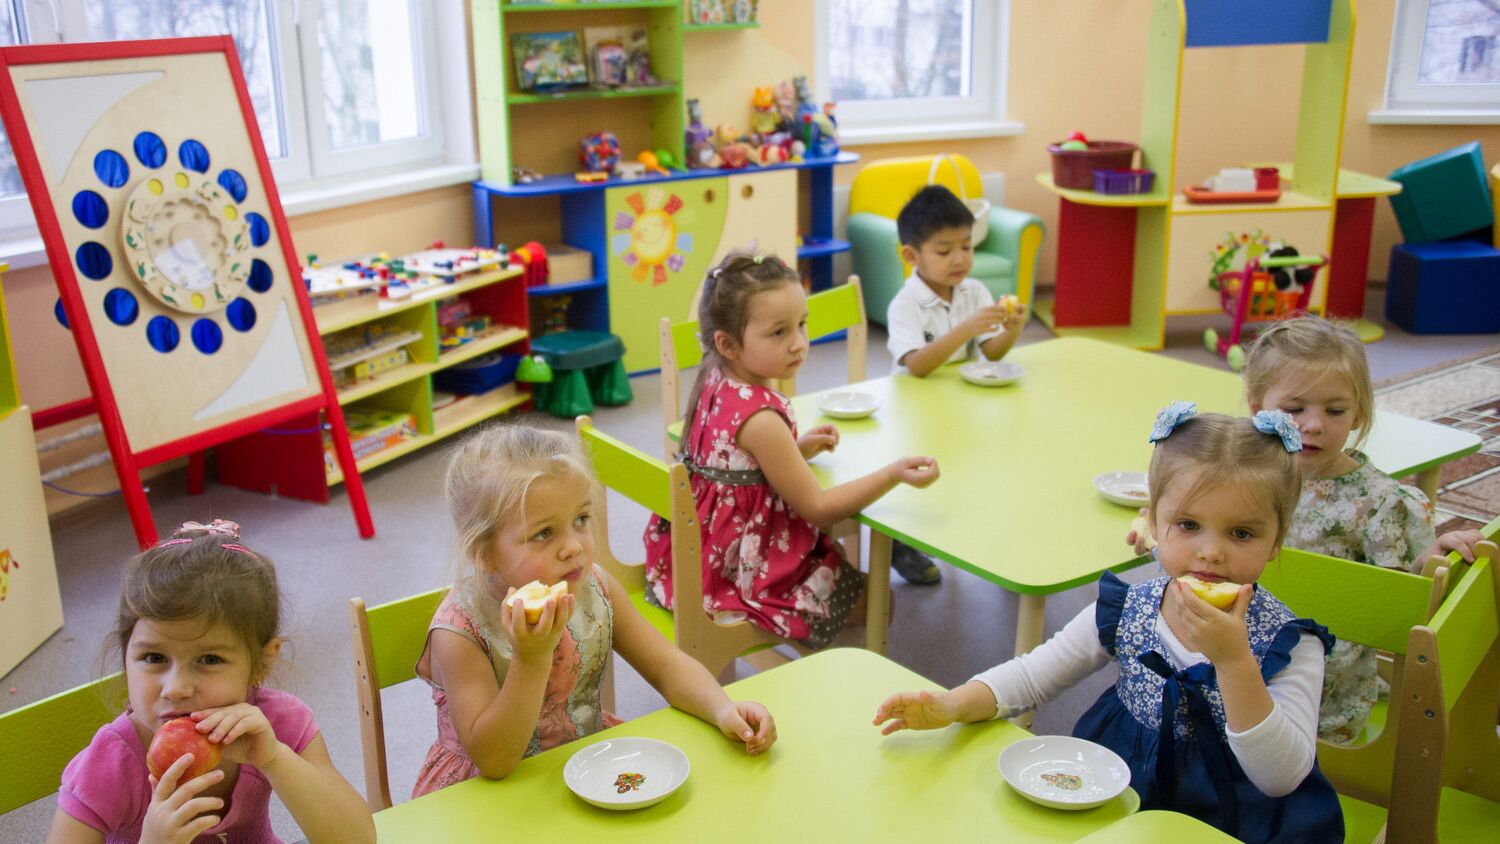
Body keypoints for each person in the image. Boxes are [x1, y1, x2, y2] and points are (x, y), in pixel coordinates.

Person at [875, 407, 1343, 842]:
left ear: (1276, 542)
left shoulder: (1293, 644)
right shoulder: (1131, 608)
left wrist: (1234, 661)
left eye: (1241, 533)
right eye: (1187, 525)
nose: (1211, 552)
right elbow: (1033, 676)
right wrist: (954, 703)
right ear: (1154, 525)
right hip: (1124, 800)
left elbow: (1281, 778)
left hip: (1235, 821)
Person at [1128, 317, 1487, 743]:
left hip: (1320, 691)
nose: (1314, 424)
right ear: (1258, 406)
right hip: (1215, 666)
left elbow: (1407, 590)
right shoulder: (1238, 479)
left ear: (1359, 413)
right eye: (1295, 409)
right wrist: (1154, 527)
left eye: (1334, 410)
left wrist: (1435, 557)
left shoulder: (1380, 503)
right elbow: (1195, 540)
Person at [414, 425, 776, 796]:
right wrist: (531, 658)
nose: (573, 546)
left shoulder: (594, 587)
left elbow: (666, 665)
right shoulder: (459, 631)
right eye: (544, 533)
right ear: (484, 553)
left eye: (581, 520)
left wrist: (722, 708)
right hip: (487, 792)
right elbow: (495, 760)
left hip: (582, 763)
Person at [645, 253, 940, 647]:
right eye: (778, 332)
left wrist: (793, 449)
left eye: (801, 325)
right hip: (740, 572)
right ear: (728, 343)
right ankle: (827, 682)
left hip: (692, 554)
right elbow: (817, 507)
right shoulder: (761, 418)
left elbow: (730, 463)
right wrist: (892, 473)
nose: (799, 344)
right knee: (880, 602)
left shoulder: (713, 377)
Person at [48, 520, 374, 844]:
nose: (175, 688)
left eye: (209, 660)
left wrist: (274, 758)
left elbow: (358, 839)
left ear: (263, 661)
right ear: (125, 657)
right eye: (153, 658)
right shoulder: (109, 766)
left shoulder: (278, 724)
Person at [882, 184, 1028, 584]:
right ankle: (900, 543)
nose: (960, 259)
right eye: (944, 251)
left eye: (966, 246)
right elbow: (918, 366)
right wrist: (964, 327)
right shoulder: (905, 305)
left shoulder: (974, 290)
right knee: (916, 472)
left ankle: (959, 529)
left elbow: (992, 353)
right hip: (914, 407)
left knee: (968, 463)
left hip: (961, 402)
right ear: (912, 256)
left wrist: (1011, 329)